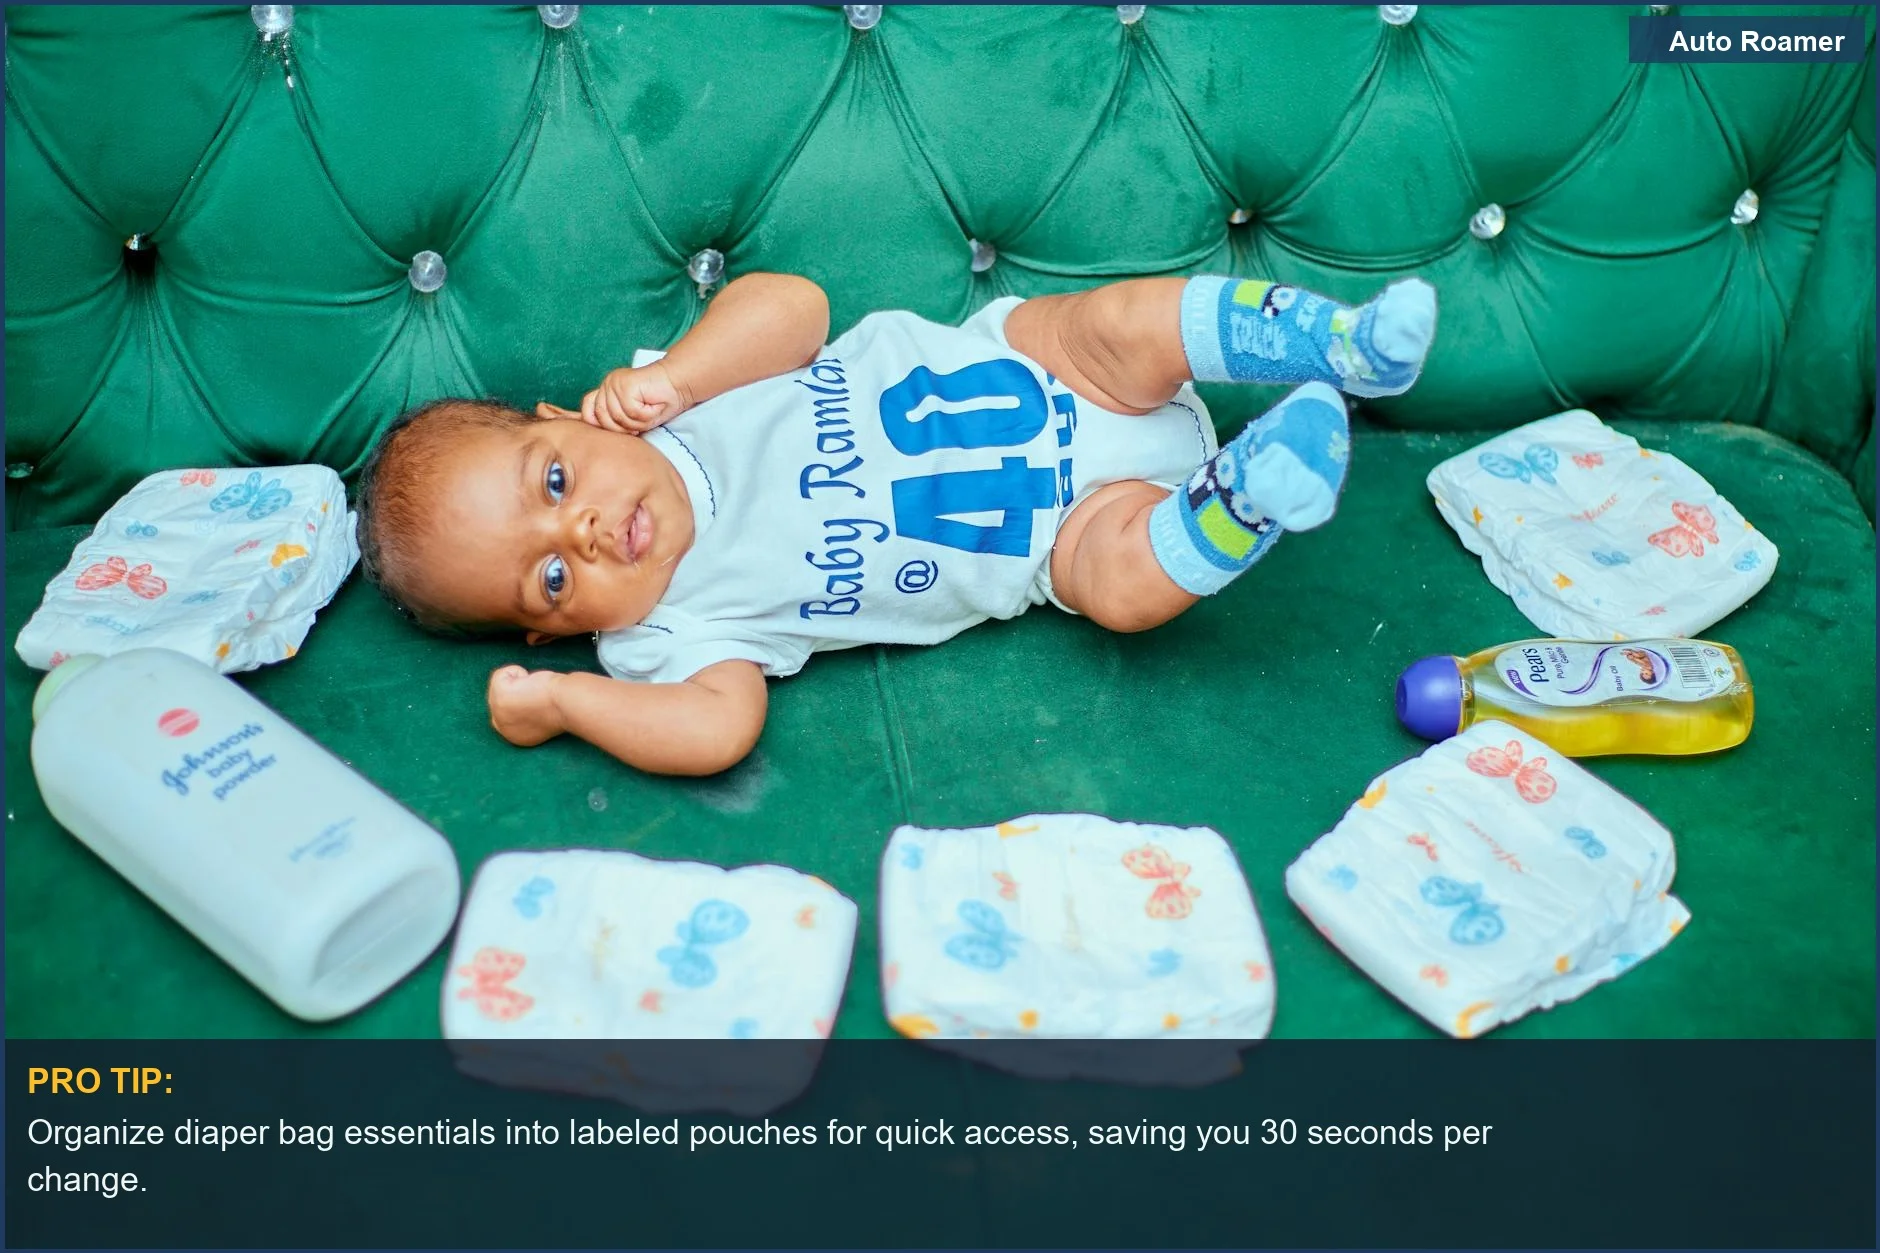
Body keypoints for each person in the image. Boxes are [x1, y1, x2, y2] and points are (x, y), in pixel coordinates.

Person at [355, 271, 1437, 775]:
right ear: (552, 629)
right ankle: (1254, 488)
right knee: (1118, 592)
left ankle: (1341, 346)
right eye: (546, 581)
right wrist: (566, 705)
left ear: (560, 418)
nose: (582, 533)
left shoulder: (677, 398)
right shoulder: (667, 633)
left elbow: (799, 308)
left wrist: (681, 374)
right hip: (1063, 530)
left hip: (1038, 367)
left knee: (1115, 320)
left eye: (552, 483)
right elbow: (716, 729)